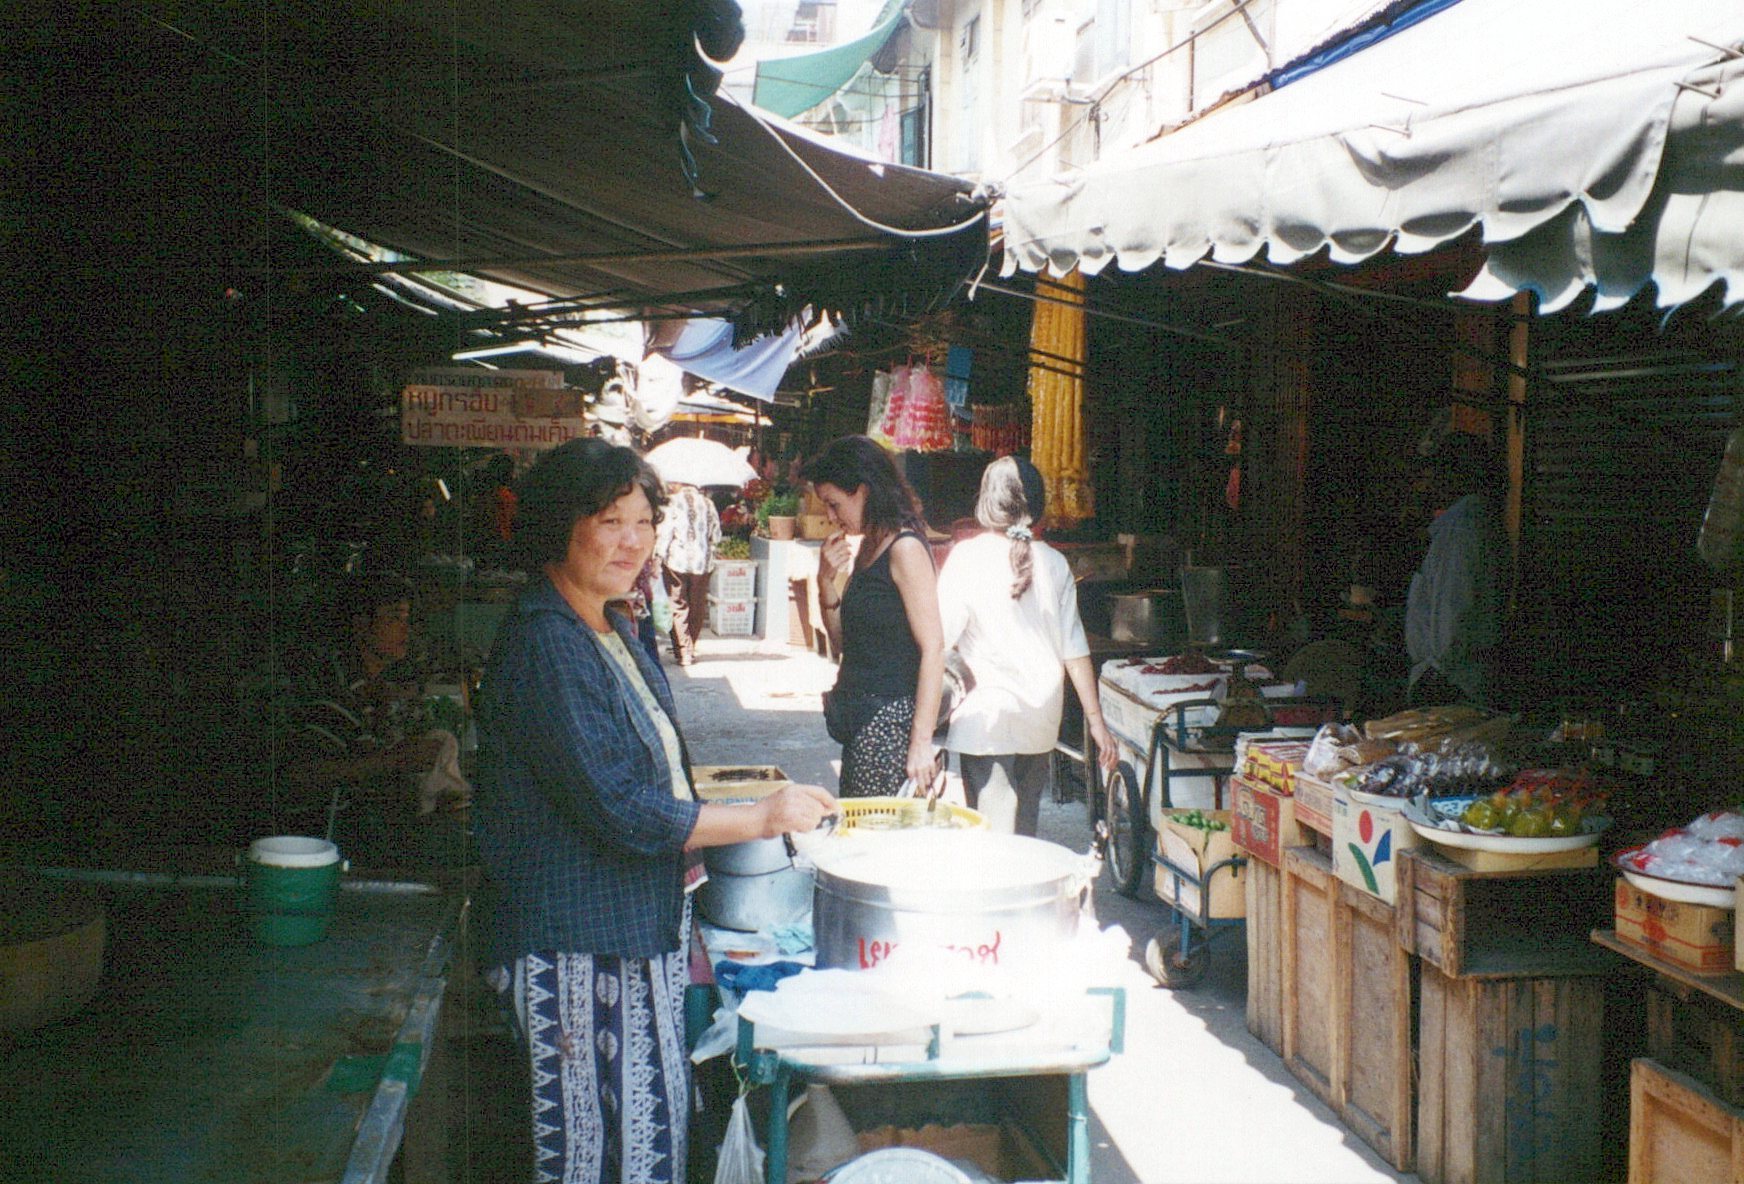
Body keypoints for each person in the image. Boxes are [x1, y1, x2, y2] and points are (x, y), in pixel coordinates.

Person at [471, 437, 836, 1184]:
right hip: (571, 943)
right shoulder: (547, 641)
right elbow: (622, 808)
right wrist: (760, 819)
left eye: (643, 522)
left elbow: (657, 775)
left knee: (645, 1141)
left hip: (631, 927)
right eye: (610, 521)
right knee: (583, 1155)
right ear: (559, 526)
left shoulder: (610, 623)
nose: (632, 541)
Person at [936, 456, 1118, 836]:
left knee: (993, 838)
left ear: (987, 500)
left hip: (985, 717)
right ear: (1037, 505)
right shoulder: (1055, 563)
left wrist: (921, 728)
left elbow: (938, 643)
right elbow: (1075, 651)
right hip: (1041, 715)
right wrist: (1096, 723)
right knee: (1023, 834)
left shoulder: (966, 557)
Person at [281, 573, 472, 856]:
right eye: (394, 618)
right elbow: (301, 775)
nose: (405, 630)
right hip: (343, 841)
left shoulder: (375, 690)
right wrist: (394, 760)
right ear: (360, 625)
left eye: (407, 620)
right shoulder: (336, 692)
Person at [803, 435, 945, 797]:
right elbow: (843, 645)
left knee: (873, 828)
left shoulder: (905, 548)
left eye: (834, 504)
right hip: (861, 722)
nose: (831, 517)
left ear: (864, 491)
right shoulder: (869, 545)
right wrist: (825, 582)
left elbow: (934, 648)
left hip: (890, 728)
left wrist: (920, 744)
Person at [1405, 431, 1509, 707]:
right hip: (1453, 676)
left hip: (1450, 681)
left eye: (1436, 472)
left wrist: (1436, 673)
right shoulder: (1468, 523)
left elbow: (1453, 610)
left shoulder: (1459, 529)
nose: (1429, 484)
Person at [654, 480, 721, 666]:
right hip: (703, 563)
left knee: (677, 603)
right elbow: (716, 535)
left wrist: (658, 557)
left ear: (680, 484)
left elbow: (666, 534)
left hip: (677, 561)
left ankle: (683, 651)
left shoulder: (672, 503)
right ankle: (690, 646)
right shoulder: (708, 503)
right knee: (697, 605)